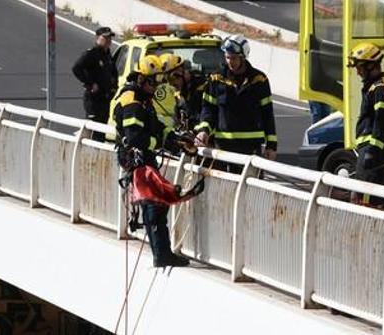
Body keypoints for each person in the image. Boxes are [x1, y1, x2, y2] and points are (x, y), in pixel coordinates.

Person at [114, 55, 202, 268]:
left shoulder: (144, 99)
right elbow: (136, 137)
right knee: (154, 205)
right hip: (137, 159)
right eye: (152, 83)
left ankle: (162, 252)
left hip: (143, 157)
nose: (156, 88)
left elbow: (154, 126)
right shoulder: (133, 103)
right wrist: (159, 144)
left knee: (157, 204)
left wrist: (176, 141)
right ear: (143, 80)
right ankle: (161, 255)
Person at [194, 35, 278, 166]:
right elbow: (208, 109)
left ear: (243, 57)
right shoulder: (216, 79)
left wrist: (271, 145)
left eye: (233, 58)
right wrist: (203, 131)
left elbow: (267, 114)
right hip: (223, 147)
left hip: (251, 149)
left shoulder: (259, 80)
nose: (229, 62)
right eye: (227, 57)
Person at [347, 42, 384, 206]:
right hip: (372, 151)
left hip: (373, 152)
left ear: (371, 65)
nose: (358, 71)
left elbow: (383, 122)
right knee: (375, 200)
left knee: (367, 202)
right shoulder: (373, 89)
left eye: (360, 66)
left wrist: (372, 152)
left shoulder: (379, 90)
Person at [72, 26, 118, 136]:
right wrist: (90, 84)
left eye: (110, 38)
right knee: (92, 130)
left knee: (101, 132)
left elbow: (113, 73)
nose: (108, 41)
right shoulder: (92, 53)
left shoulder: (107, 55)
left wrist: (114, 87)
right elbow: (76, 68)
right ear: (97, 38)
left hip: (105, 99)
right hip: (93, 99)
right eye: (105, 38)